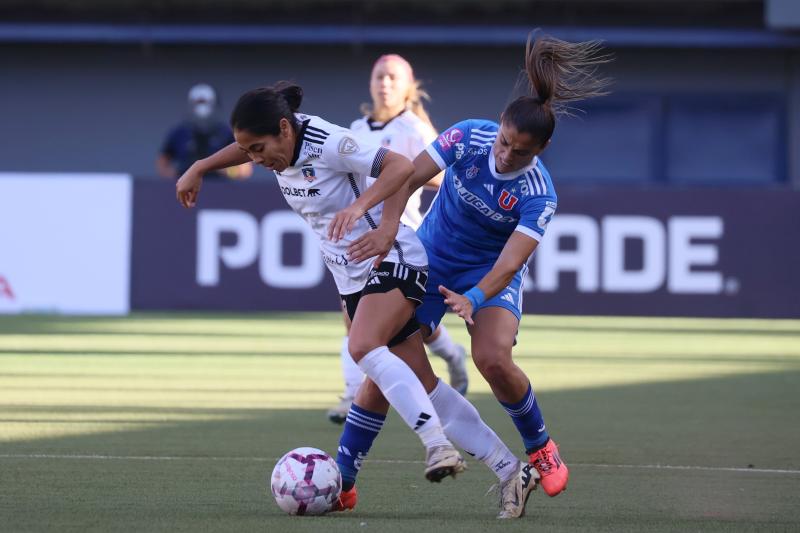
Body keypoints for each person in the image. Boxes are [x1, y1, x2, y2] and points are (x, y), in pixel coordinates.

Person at [175, 82, 538, 519]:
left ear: (285, 129)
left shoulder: (329, 141)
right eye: (247, 150)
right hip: (351, 275)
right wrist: (200, 166)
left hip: (393, 256)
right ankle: (510, 470)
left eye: (259, 148)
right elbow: (241, 147)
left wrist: (374, 217)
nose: (255, 159)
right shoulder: (270, 144)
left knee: (362, 347)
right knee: (421, 383)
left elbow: (400, 166)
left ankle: (436, 446)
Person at [346, 33, 612, 499]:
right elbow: (407, 178)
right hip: (427, 258)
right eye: (506, 141)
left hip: (487, 274)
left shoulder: (539, 195)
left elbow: (511, 263)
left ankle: (541, 447)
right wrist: (390, 228)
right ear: (500, 125)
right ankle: (344, 481)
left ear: (540, 151)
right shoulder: (470, 135)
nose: (506, 154)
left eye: (521, 151)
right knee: (379, 362)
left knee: (491, 358)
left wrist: (474, 298)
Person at [327, 54, 469, 425]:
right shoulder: (355, 128)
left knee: (408, 326)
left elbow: (446, 175)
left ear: (408, 86)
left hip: (402, 239)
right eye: (379, 77)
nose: (384, 84)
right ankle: (350, 392)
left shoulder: (414, 129)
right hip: (359, 240)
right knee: (353, 317)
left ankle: (452, 356)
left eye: (392, 77)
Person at [157, 83, 252, 180]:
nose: (201, 107)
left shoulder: (226, 133)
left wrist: (224, 170)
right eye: (198, 102)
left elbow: (244, 170)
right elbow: (163, 162)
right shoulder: (179, 133)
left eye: (205, 102)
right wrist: (176, 177)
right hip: (187, 188)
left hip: (220, 188)